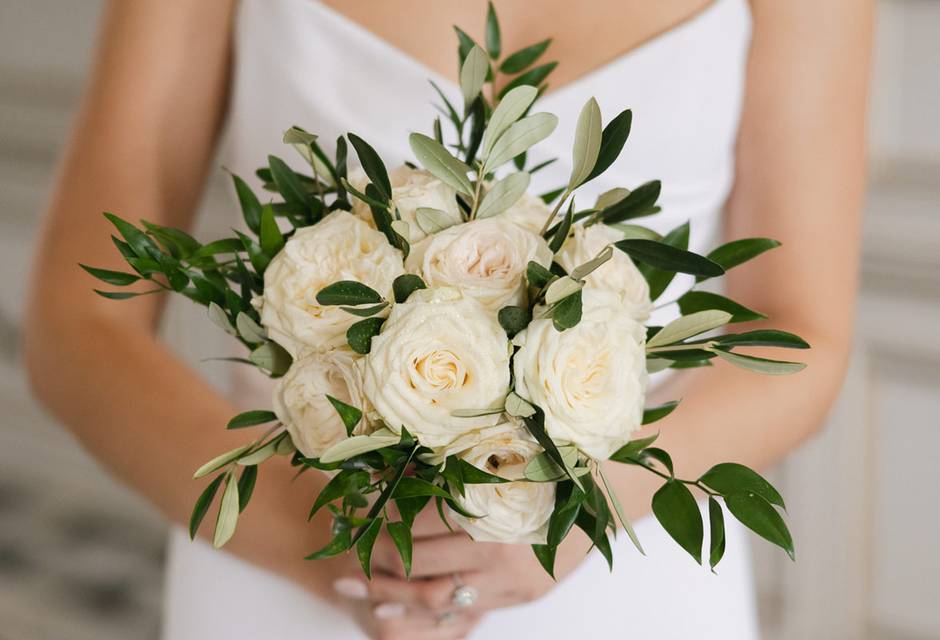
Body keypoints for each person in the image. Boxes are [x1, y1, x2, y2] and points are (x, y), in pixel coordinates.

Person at [23, 0, 872, 638]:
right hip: (282, 560)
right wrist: (319, 541)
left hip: (623, 565)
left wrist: (585, 511)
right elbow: (76, 323)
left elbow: (798, 330)